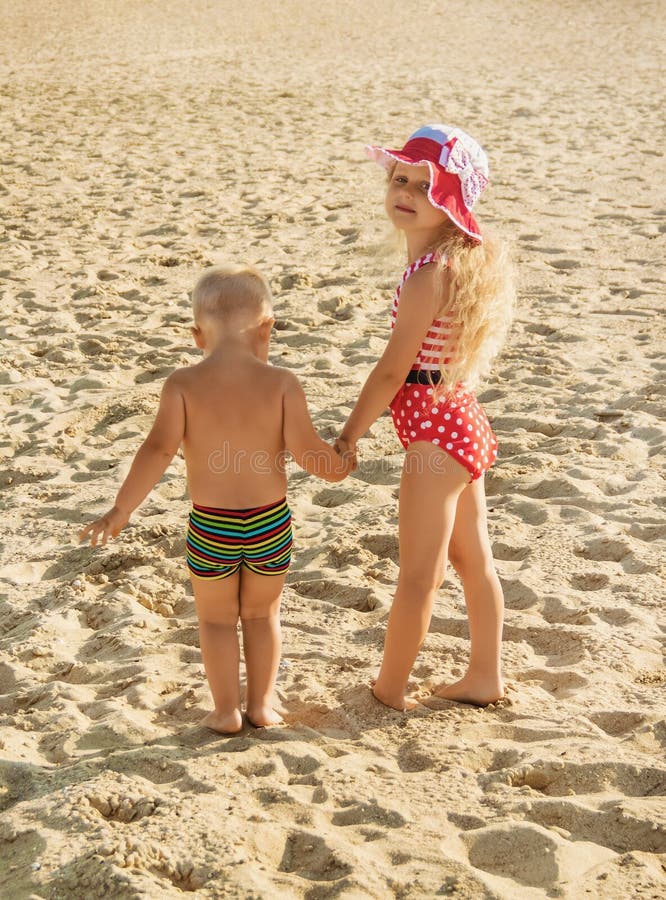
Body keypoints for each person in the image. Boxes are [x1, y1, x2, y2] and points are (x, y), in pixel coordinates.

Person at [80, 264, 353, 733]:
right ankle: (262, 705)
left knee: (217, 622)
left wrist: (121, 510)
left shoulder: (182, 385)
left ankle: (226, 710)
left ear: (196, 335)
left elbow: (159, 450)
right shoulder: (282, 383)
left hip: (212, 526)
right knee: (262, 615)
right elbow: (310, 455)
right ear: (267, 328)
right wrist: (341, 461)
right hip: (270, 524)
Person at [336, 124, 515, 711]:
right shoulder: (444, 263)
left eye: (426, 184)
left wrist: (348, 434)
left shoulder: (429, 275)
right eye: (400, 178)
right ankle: (484, 676)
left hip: (435, 436)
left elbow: (392, 372)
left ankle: (388, 688)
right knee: (471, 559)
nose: (406, 191)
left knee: (419, 573)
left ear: (453, 200)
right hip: (457, 420)